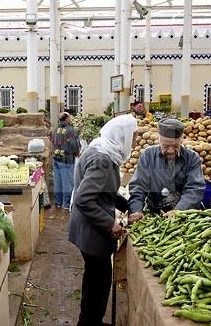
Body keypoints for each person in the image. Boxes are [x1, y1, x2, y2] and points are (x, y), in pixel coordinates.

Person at [68, 115, 140, 326]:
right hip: (92, 231)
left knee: (94, 279)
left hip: (85, 226)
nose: (134, 141)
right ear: (122, 135)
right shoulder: (103, 160)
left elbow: (102, 191)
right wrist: (110, 224)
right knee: (99, 282)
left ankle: (89, 321)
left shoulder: (99, 148)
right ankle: (90, 322)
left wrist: (124, 205)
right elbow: (84, 199)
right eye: (133, 136)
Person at [128, 118, 205, 218]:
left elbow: (195, 189)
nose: (170, 150)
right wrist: (136, 210)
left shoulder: (192, 158)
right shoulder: (148, 155)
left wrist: (178, 211)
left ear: (181, 140)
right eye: (165, 146)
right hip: (154, 212)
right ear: (159, 140)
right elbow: (138, 186)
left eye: (175, 145)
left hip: (184, 215)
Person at [52, 112, 80, 210]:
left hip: (56, 158)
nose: (70, 119)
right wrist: (77, 153)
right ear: (67, 119)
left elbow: (52, 141)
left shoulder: (55, 129)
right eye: (70, 117)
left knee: (58, 181)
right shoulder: (69, 131)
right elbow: (74, 145)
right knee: (67, 182)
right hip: (66, 159)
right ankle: (66, 204)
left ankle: (58, 202)